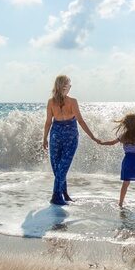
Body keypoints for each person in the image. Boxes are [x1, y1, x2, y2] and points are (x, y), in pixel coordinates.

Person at [42, 75, 98, 206]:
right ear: (64, 86)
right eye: (69, 84)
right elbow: (80, 121)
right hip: (65, 136)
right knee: (59, 168)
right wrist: (93, 137)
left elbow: (48, 123)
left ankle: (63, 194)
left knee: (61, 167)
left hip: (59, 135)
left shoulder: (54, 102)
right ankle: (56, 196)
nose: (71, 87)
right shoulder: (69, 101)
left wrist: (45, 138)